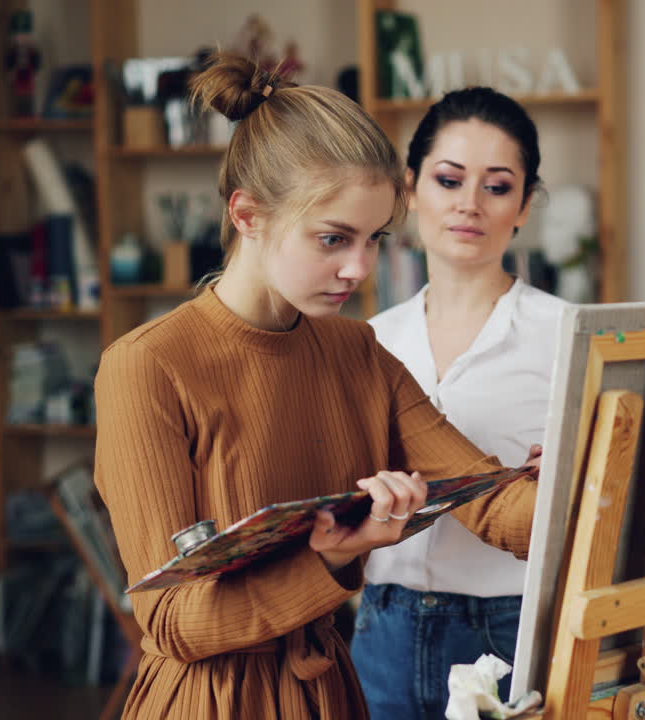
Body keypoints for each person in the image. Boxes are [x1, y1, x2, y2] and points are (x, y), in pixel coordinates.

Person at [93, 55, 540, 720]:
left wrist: (590, 479)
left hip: (329, 695)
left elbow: (489, 503)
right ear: (247, 215)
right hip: (210, 703)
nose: (359, 268)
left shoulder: (356, 350)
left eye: (374, 238)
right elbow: (172, 620)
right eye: (333, 238)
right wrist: (336, 563)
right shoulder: (148, 366)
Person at [351, 87, 567, 719]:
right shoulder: (368, 341)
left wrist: (574, 473)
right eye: (450, 179)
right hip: (381, 627)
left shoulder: (569, 333)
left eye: (497, 187)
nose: (469, 204)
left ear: (524, 205)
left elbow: (621, 496)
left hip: (508, 628)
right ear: (412, 187)